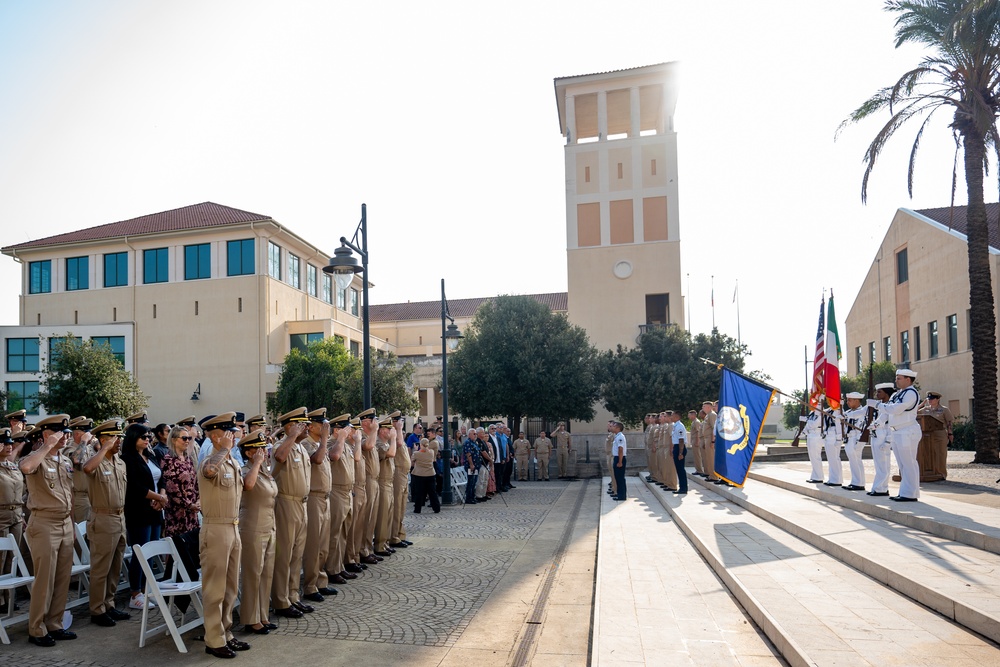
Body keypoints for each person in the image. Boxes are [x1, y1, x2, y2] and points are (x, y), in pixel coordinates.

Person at [19, 414, 76, 647]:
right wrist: (47, 446)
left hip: (64, 523)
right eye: (59, 432)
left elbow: (69, 494)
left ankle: (54, 623)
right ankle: (36, 628)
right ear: (45, 434)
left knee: (63, 578)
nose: (65, 437)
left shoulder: (65, 460)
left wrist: (71, 524)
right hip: (43, 524)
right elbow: (26, 467)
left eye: (66, 433)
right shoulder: (37, 457)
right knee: (45, 580)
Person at [199, 412, 250, 658]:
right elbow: (209, 472)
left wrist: (228, 452)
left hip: (233, 526)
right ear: (217, 437)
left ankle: (226, 632)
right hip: (216, 529)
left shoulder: (231, 461)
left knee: (230, 588)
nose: (235, 435)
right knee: (215, 588)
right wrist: (224, 449)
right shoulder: (211, 459)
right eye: (230, 432)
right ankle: (213, 639)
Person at [82, 419, 131, 627]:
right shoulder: (97, 460)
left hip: (119, 517)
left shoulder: (120, 462)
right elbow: (87, 468)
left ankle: (109, 603)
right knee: (100, 568)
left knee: (115, 567)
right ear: (103, 440)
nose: (118, 441)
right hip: (102, 519)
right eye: (114, 438)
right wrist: (104, 449)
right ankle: (97, 609)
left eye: (119, 437)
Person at [270, 407, 312, 618]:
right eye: (301, 424)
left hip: (302, 504)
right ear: (290, 426)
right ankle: (280, 600)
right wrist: (292, 435)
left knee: (297, 555)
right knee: (284, 555)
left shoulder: (301, 448)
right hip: (286, 504)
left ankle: (293, 595)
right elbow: (278, 457)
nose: (307, 427)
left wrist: (296, 437)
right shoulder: (282, 445)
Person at [121, 422, 167, 611]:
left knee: (151, 550)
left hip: (155, 509)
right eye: (144, 437)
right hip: (139, 510)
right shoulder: (127, 459)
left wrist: (161, 496)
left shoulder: (150, 455)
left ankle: (145, 588)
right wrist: (158, 497)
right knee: (140, 552)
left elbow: (161, 477)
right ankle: (134, 592)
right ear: (133, 439)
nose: (148, 440)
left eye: (149, 437)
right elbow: (134, 487)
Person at [238, 428, 276, 635]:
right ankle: (250, 618)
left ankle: (262, 614)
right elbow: (248, 486)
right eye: (259, 448)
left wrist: (261, 465)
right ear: (249, 452)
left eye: (264, 447)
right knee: (253, 573)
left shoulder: (264, 470)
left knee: (266, 572)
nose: (264, 451)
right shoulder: (246, 470)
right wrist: (258, 463)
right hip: (252, 526)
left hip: (269, 525)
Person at [302, 408, 335, 603]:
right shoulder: (307, 444)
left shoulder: (318, 443)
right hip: (313, 497)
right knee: (314, 545)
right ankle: (310, 585)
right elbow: (317, 459)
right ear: (311, 427)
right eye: (322, 425)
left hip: (325, 497)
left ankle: (320, 580)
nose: (326, 428)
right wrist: (324, 440)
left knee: (323, 544)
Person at [879, 368, 921, 502]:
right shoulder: (897, 394)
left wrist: (878, 406)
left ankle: (910, 493)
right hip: (897, 431)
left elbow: (896, 409)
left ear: (908, 379)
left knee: (909, 463)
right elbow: (889, 410)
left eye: (899, 378)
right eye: (896, 378)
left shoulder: (911, 393)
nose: (896, 380)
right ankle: (905, 491)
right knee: (902, 464)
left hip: (907, 430)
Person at [325, 414, 356, 586]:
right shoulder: (333, 443)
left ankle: (339, 565)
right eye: (346, 429)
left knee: (344, 532)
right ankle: (331, 569)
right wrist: (341, 438)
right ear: (337, 430)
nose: (350, 431)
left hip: (347, 492)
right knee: (334, 533)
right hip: (336, 491)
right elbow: (334, 456)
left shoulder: (345, 445)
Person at [0, 428, 25, 612]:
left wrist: (22, 514)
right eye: (4, 443)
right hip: (1, 516)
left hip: (16, 514)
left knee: (13, 558)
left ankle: (8, 598)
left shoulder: (12, 465)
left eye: (10, 443)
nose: (9, 446)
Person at [160, 425, 200, 539]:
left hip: (192, 512)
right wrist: (189, 505)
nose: (187, 441)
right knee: (179, 547)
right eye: (184, 438)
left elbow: (195, 482)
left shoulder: (188, 459)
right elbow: (172, 489)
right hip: (177, 513)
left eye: (189, 438)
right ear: (173, 440)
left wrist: (198, 501)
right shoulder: (168, 460)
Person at [373, 416, 397, 557]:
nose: (391, 431)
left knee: (388, 514)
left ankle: (385, 542)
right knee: (382, 516)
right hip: (382, 482)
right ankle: (380, 545)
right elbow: (391, 454)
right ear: (382, 431)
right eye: (388, 429)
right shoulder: (379, 443)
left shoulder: (386, 443)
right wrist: (394, 439)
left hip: (389, 481)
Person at [389, 412, 413, 550]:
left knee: (402, 505)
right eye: (398, 421)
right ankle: (394, 536)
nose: (401, 423)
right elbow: (398, 444)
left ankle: (400, 534)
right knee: (397, 506)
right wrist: (397, 429)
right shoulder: (393, 433)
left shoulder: (398, 432)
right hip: (397, 473)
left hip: (404, 473)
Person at [866, 383, 895, 497]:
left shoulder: (890, 406)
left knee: (883, 463)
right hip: (876, 435)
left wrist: (888, 441)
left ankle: (882, 488)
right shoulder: (880, 405)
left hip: (884, 434)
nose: (877, 394)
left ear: (887, 393)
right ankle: (878, 487)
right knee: (878, 464)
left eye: (879, 392)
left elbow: (890, 424)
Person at [64, 417, 95, 523]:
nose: (91, 435)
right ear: (77, 435)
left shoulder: (88, 448)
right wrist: (84, 441)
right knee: (80, 534)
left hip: (91, 496)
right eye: (88, 432)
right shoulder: (70, 449)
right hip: (78, 498)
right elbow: (76, 460)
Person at [918, 391, 954, 479]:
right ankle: (931, 473)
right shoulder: (925, 409)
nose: (930, 401)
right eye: (928, 399)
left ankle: (941, 474)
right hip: (927, 436)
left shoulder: (944, 409)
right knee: (929, 454)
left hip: (940, 434)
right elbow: (913, 413)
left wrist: (950, 433)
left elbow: (949, 422)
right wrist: (922, 404)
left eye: (932, 399)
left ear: (937, 399)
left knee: (940, 454)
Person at [841, 392, 868, 491]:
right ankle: (855, 481)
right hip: (849, 438)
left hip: (856, 438)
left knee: (856, 460)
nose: (847, 402)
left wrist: (858, 441)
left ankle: (859, 483)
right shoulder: (848, 412)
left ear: (857, 401)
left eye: (850, 400)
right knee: (853, 461)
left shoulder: (862, 412)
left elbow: (861, 426)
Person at [411, 438, 441, 513]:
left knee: (419, 492)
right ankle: (436, 508)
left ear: (420, 445)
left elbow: (412, 461)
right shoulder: (431, 452)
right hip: (430, 473)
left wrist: (415, 449)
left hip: (419, 474)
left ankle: (417, 509)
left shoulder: (417, 454)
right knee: (432, 492)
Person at [822, 407, 844, 487]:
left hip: (834, 435)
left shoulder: (838, 410)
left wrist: (839, 438)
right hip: (828, 435)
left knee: (835, 458)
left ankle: (837, 480)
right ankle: (832, 478)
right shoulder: (829, 410)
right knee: (831, 459)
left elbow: (839, 424)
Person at [656, 411, 677, 490]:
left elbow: (672, 437)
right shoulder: (667, 426)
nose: (662, 418)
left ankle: (672, 485)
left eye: (664, 416)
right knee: (666, 467)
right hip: (664, 447)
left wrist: (672, 448)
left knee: (670, 467)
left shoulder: (671, 425)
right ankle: (668, 483)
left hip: (668, 447)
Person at [803, 408, 824, 483]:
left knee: (816, 457)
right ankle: (815, 476)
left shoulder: (821, 412)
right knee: (812, 457)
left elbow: (816, 424)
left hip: (817, 436)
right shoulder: (812, 412)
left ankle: (819, 477)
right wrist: (804, 432)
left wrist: (806, 420)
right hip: (810, 435)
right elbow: (808, 425)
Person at [671, 412, 688, 495]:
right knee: (678, 469)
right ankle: (682, 487)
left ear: (677, 416)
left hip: (679, 448)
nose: (671, 417)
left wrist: (680, 453)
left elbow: (681, 440)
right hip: (676, 447)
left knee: (680, 469)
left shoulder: (680, 426)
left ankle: (683, 488)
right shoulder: (675, 426)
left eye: (672, 415)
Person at [462, 431, 481, 504]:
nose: (475, 435)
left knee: (474, 481)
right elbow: (468, 453)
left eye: (476, 434)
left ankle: (472, 496)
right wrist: (471, 464)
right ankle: (468, 498)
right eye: (474, 434)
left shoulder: (474, 442)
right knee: (471, 481)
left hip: (477, 465)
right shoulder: (468, 442)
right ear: (469, 434)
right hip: (471, 465)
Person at [701, 402, 718, 483]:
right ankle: (711, 475)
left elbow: (713, 428)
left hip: (710, 438)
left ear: (709, 407)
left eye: (704, 406)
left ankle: (714, 476)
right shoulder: (708, 415)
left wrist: (712, 441)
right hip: (706, 438)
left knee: (711, 458)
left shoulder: (712, 415)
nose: (702, 408)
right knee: (708, 458)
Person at [611, 420, 627, 501]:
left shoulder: (620, 437)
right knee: (617, 477)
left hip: (619, 458)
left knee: (620, 478)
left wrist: (620, 462)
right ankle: (619, 493)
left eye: (613, 426)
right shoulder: (617, 436)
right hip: (617, 457)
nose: (612, 427)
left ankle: (622, 495)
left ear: (618, 428)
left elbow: (620, 449)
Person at [688, 410, 704, 477]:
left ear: (693, 415)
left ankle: (700, 470)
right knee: (695, 456)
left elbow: (698, 432)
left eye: (689, 415)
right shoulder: (693, 422)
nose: (688, 416)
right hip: (694, 440)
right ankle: (697, 469)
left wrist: (697, 441)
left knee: (697, 456)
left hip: (696, 440)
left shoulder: (697, 422)